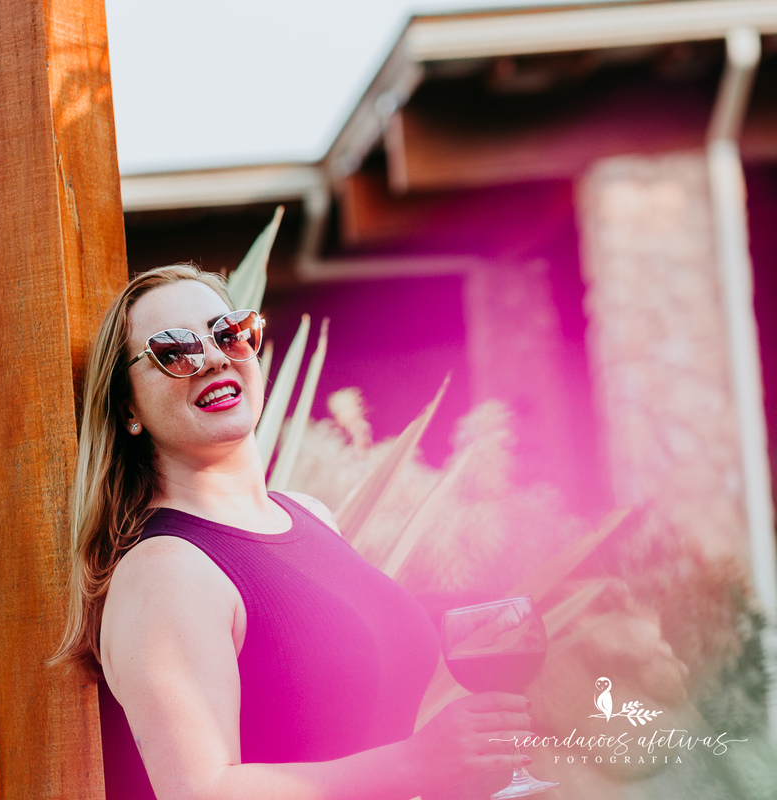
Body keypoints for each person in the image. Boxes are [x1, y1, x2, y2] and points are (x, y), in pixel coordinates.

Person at [55, 264, 534, 800]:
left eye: (229, 332)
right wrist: (417, 764)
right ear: (128, 407)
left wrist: (458, 760)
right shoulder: (164, 570)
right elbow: (201, 792)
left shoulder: (309, 515)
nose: (214, 358)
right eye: (174, 351)